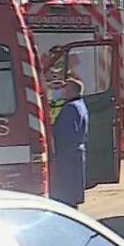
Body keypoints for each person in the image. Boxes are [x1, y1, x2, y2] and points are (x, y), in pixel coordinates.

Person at [51, 78, 89, 209]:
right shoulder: (80, 104)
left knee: (65, 191)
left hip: (67, 154)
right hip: (75, 153)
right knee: (72, 190)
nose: (62, 91)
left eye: (65, 88)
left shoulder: (70, 108)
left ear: (71, 91)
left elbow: (63, 133)